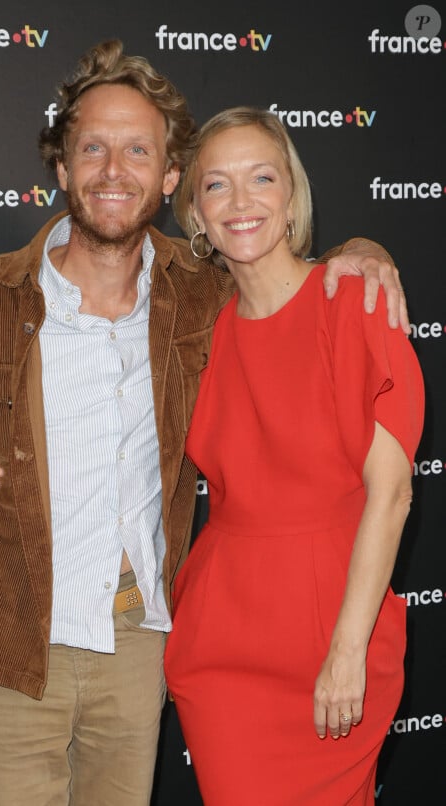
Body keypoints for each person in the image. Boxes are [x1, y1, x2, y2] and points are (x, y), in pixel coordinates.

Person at [0, 40, 406, 806]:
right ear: (61, 167)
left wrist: (365, 249)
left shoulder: (199, 292)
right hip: (11, 649)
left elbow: (286, 279)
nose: (113, 171)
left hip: (141, 645)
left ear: (170, 177)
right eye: (93, 148)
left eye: (137, 151)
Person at [160, 107, 425, 805]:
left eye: (262, 178)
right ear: (196, 211)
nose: (242, 202)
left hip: (336, 618)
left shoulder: (355, 304)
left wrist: (346, 651)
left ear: (292, 196)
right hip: (223, 632)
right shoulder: (197, 329)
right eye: (217, 186)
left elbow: (391, 494)